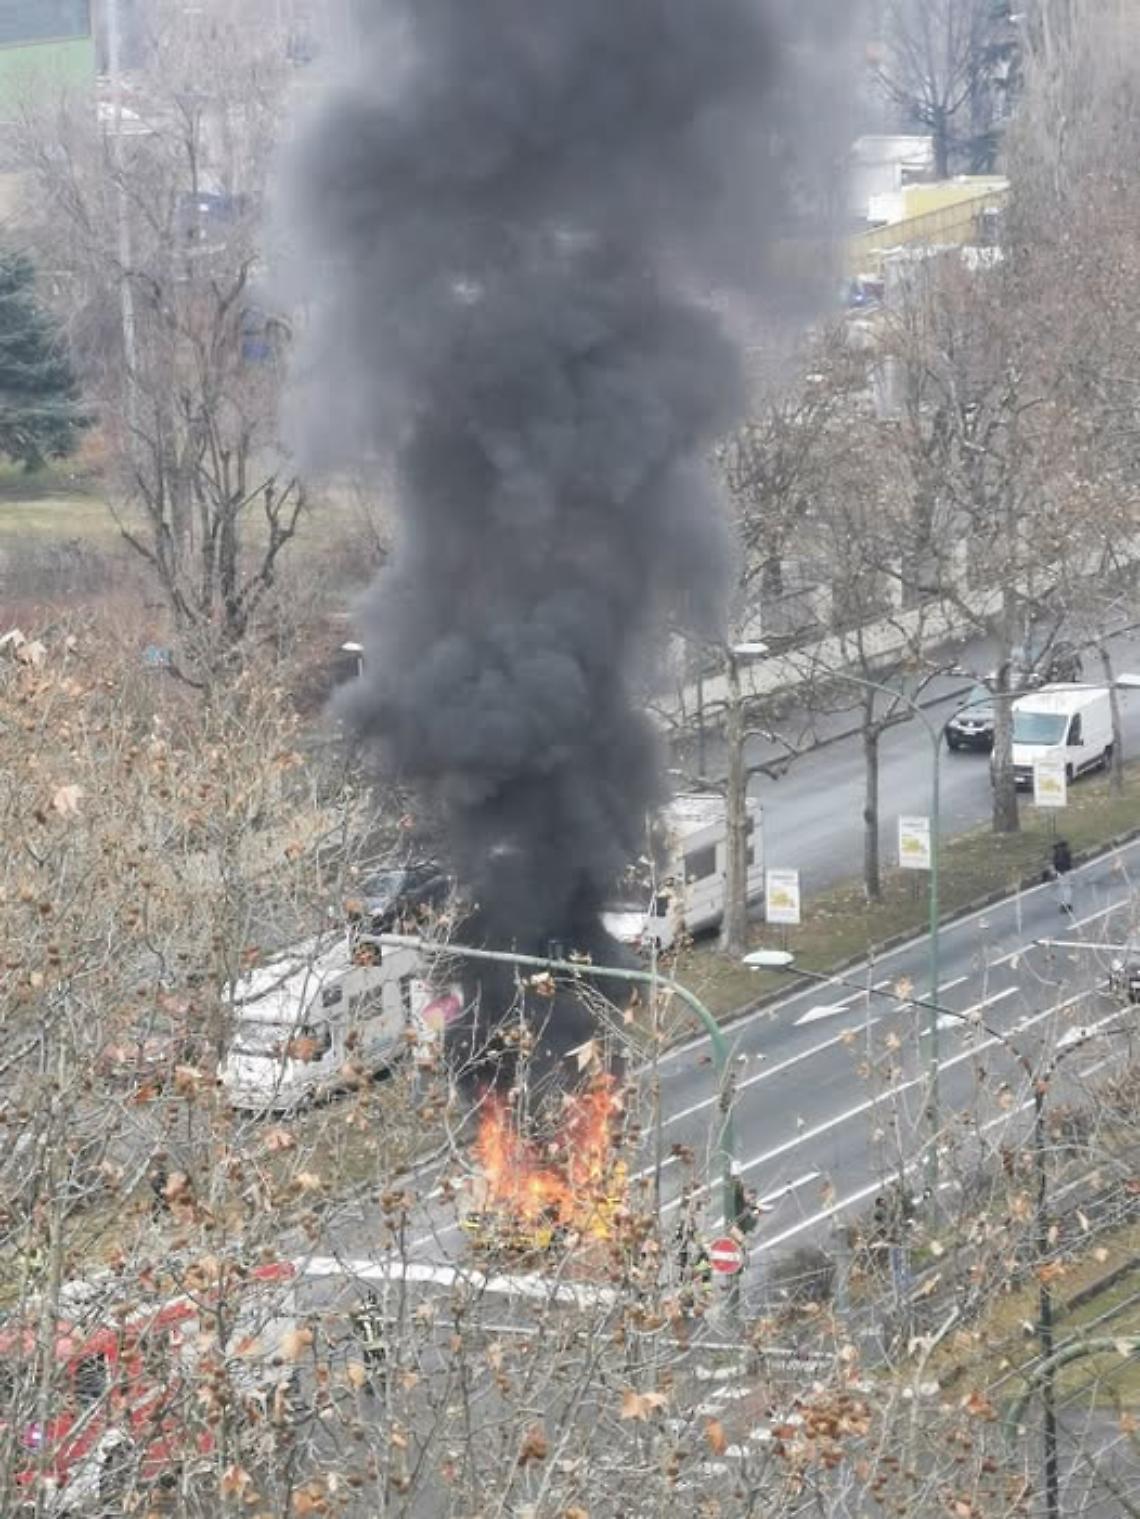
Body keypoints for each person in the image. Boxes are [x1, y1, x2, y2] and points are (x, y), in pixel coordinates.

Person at [350, 1292, 388, 1389]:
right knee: (375, 1365)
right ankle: (375, 1383)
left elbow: (353, 1314)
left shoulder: (372, 1313)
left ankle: (377, 1383)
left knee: (376, 1365)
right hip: (373, 1344)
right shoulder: (366, 1315)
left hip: (374, 1344)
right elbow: (354, 1313)